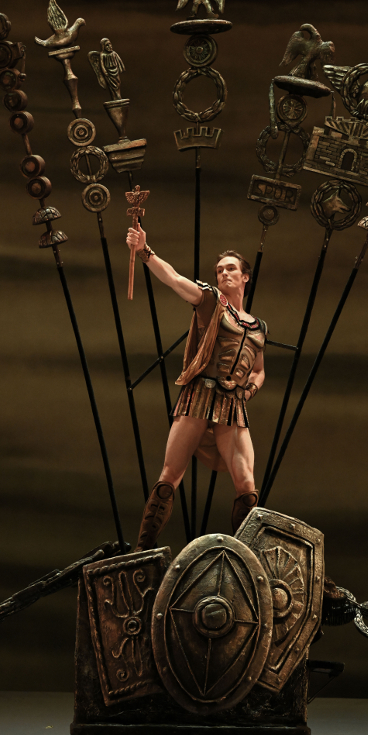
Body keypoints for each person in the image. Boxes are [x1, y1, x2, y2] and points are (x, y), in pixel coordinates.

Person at [126, 224, 267, 551]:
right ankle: (142, 549)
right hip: (200, 396)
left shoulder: (258, 327)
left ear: (245, 276)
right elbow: (175, 279)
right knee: (170, 476)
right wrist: (145, 252)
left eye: (230, 268)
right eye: (219, 270)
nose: (223, 274)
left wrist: (248, 391)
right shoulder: (211, 301)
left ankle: (245, 556)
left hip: (233, 405)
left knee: (247, 487)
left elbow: (258, 371)